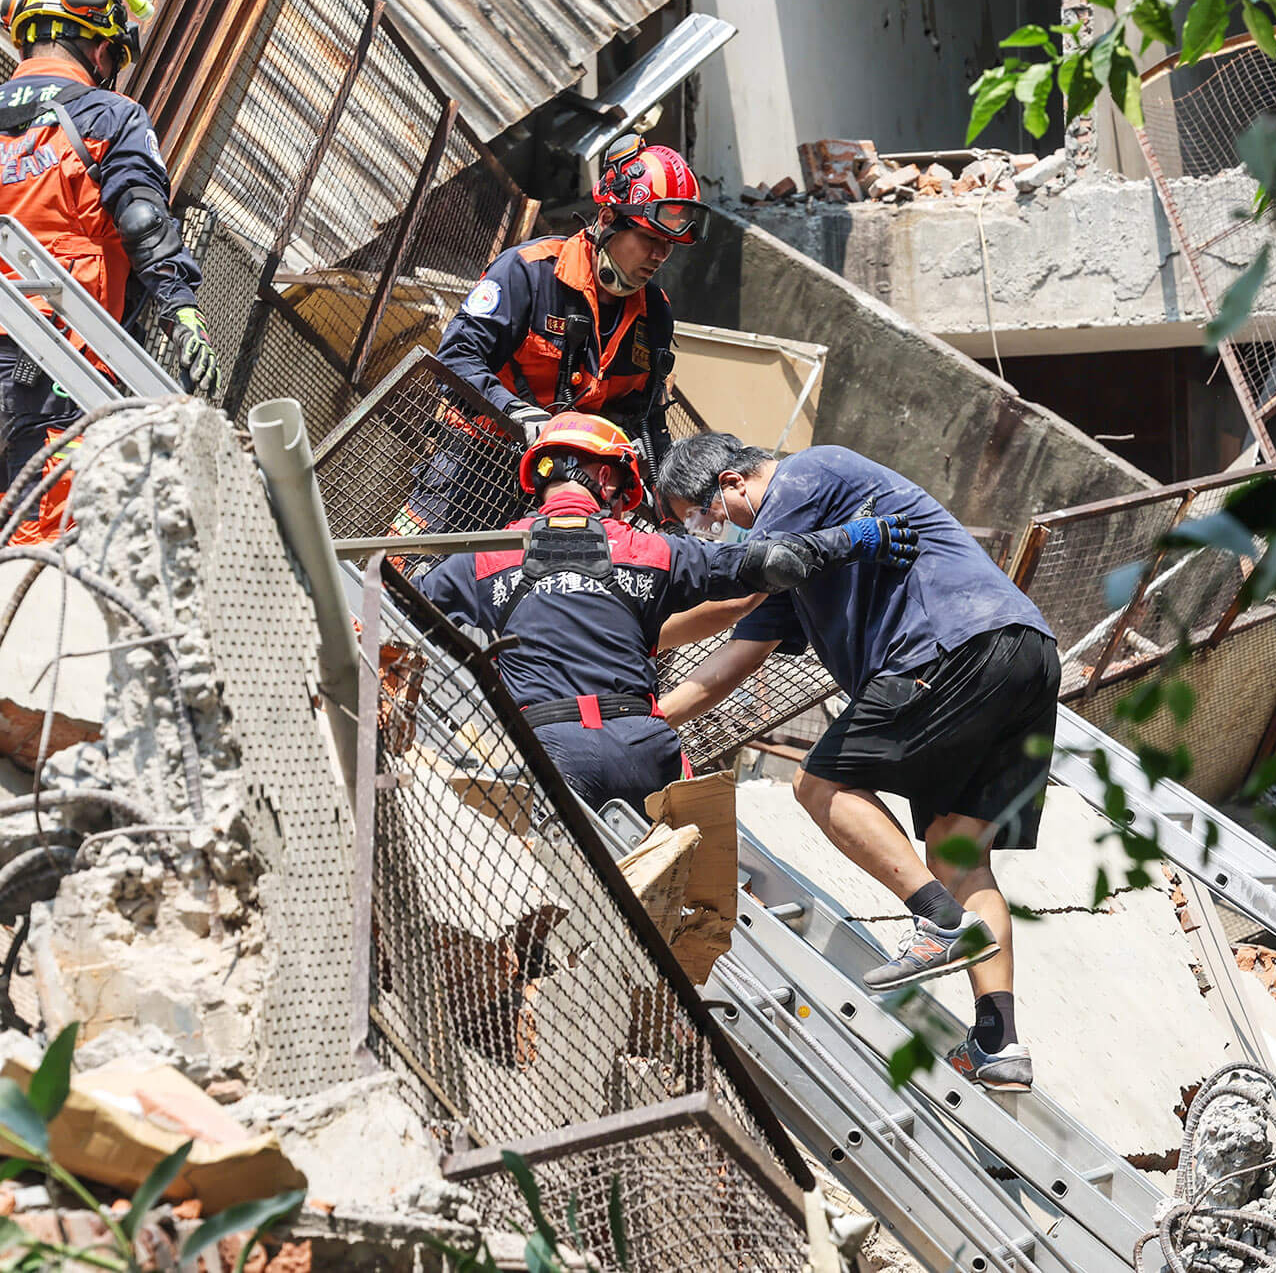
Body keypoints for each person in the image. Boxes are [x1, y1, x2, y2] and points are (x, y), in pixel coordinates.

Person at [656, 434, 1060, 1093]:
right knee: (959, 854)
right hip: (1023, 655)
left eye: (704, 515)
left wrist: (636, 618)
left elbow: (734, 596)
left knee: (819, 784)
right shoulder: (793, 566)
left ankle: (937, 919)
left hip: (947, 645)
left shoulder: (806, 476)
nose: (712, 530)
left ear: (732, 482)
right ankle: (999, 1041)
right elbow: (735, 657)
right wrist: (649, 720)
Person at [413, 412, 915, 812]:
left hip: (550, 751)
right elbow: (772, 563)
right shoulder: (649, 550)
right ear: (606, 478)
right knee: (686, 910)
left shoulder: (481, 557)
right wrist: (854, 538)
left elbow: (397, 608)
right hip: (650, 748)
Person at [0, 0, 213, 541]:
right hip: (57, 357)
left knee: (3, 506)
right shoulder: (108, 115)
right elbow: (143, 219)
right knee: (53, 533)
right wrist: (181, 311)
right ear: (99, 50)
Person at [395, 135, 702, 539]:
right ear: (608, 220)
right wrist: (519, 416)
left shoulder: (655, 314)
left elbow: (645, 418)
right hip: (472, 465)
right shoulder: (529, 273)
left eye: (670, 245)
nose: (660, 256)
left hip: (570, 488)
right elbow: (456, 359)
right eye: (650, 239)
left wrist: (678, 504)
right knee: (401, 570)